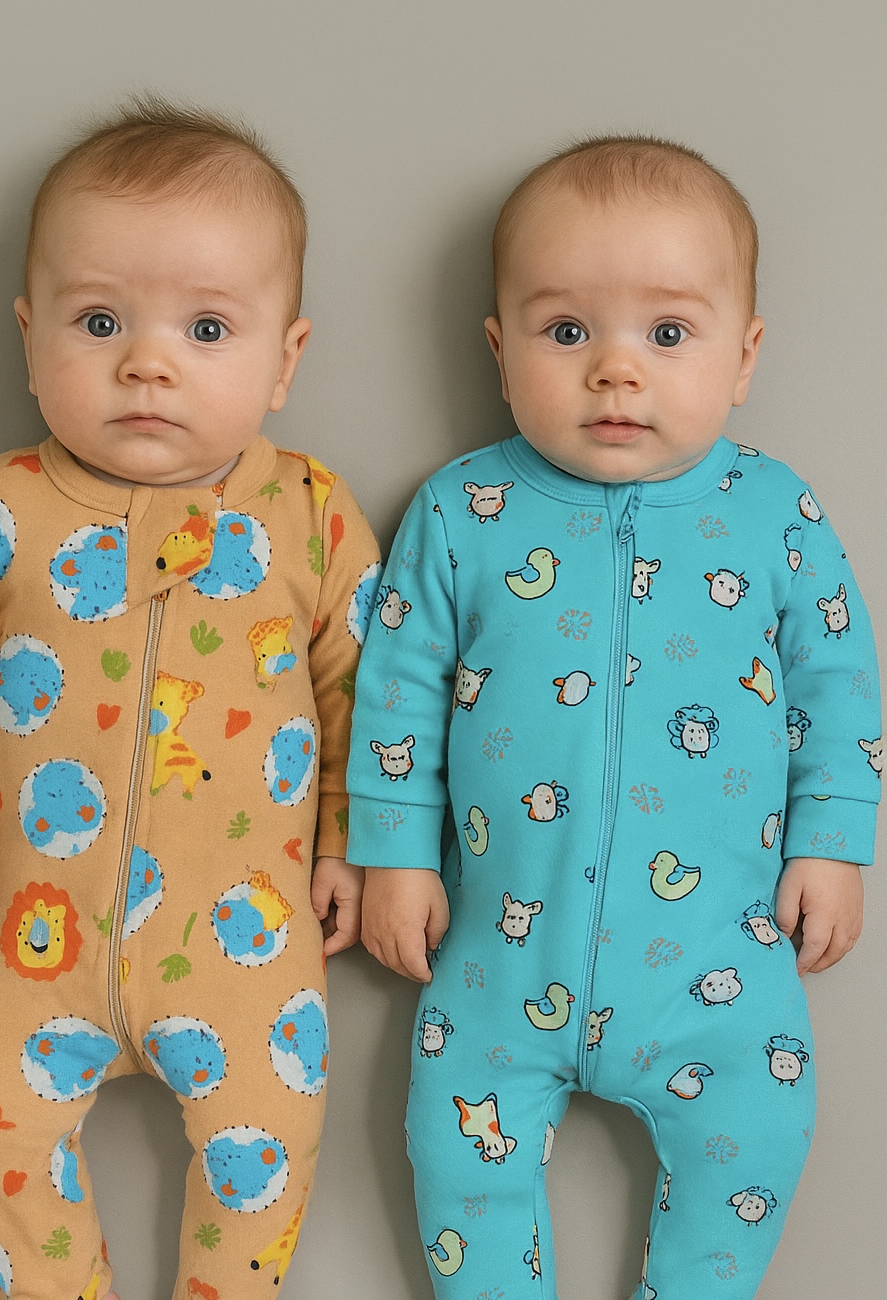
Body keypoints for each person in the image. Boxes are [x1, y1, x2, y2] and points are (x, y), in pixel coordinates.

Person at [346, 136, 881, 1299]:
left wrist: (834, 843)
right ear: (500, 350)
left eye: (668, 333)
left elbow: (837, 684)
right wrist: (393, 856)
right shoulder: (463, 510)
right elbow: (397, 686)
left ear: (744, 356)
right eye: (566, 331)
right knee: (454, 1151)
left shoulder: (774, 511)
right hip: (497, 953)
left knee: (762, 1129)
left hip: (717, 965)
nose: (615, 372)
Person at [0, 95, 380, 1300]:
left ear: (285, 359)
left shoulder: (310, 514)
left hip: (245, 938)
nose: (147, 362)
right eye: (99, 320)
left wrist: (352, 841)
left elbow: (366, 695)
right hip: (32, 927)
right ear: (29, 333)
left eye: (207, 328)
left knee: (271, 1137)